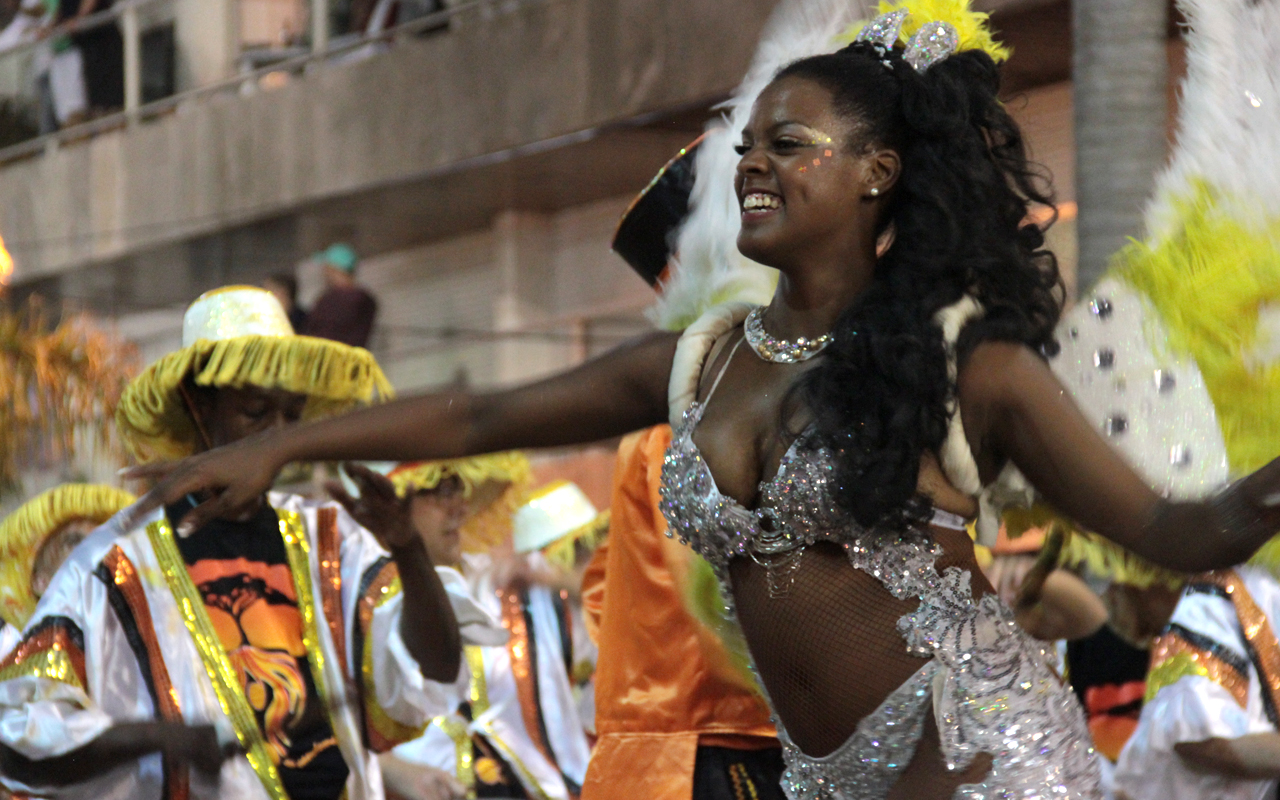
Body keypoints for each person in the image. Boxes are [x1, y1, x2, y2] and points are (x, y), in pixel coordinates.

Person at [121, 0, 1280, 796]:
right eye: (750, 146)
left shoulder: (966, 365)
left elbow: (1185, 530)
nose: (752, 165)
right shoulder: (701, 357)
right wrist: (291, 449)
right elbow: (479, 415)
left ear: (879, 171)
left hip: (985, 771)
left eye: (790, 142)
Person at [0, 286, 464, 800]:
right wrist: (158, 738)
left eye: (291, 416)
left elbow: (437, 669)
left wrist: (408, 550)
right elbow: (19, 739)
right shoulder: (119, 561)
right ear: (200, 408)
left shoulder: (331, 540)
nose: (277, 437)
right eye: (256, 411)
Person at [581, 426, 785, 800]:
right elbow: (706, 593)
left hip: (667, 747)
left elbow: (599, 595)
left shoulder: (672, 432)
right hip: (704, 746)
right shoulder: (684, 433)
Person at [385, 465, 595, 800]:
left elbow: (629, 605)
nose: (461, 506)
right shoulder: (361, 599)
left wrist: (557, 582)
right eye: (440, 490)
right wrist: (393, 770)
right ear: (391, 503)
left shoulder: (503, 581)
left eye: (459, 488)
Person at [1112, 565, 1280, 800]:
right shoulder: (1215, 599)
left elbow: (1207, 743)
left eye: (1109, 580)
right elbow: (1203, 740)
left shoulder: (1215, 595)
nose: (1108, 603)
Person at [0, 483, 137, 653]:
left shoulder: (144, 661)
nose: (100, 555)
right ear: (41, 582)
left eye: (106, 544)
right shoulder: (13, 667)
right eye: (75, 542)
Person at [305, 243, 379, 348]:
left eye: (326, 267)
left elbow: (322, 332)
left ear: (334, 269)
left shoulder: (332, 299)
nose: (323, 272)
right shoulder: (367, 299)